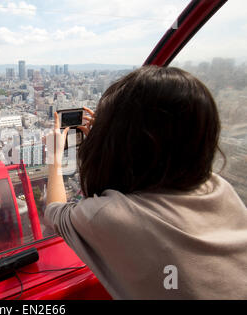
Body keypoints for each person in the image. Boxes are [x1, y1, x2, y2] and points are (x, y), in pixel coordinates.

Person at [45, 65, 247, 299]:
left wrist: (54, 157)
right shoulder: (219, 188)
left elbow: (53, 212)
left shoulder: (112, 215)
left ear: (124, 142)